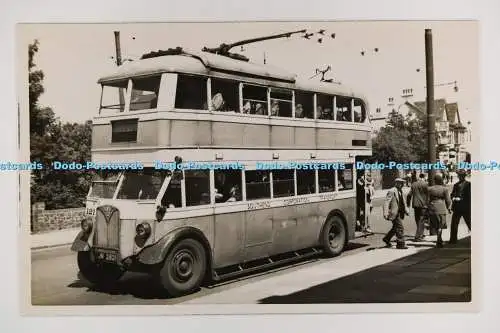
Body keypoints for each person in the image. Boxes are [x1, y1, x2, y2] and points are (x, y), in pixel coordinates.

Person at [382, 178, 409, 249]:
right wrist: (385, 212)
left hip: (400, 212)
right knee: (400, 227)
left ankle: (387, 238)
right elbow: (386, 202)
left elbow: (403, 202)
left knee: (395, 228)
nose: (402, 184)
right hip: (394, 212)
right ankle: (400, 243)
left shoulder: (400, 191)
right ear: (396, 183)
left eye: (402, 183)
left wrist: (406, 210)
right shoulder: (392, 191)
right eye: (400, 183)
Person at [427, 173, 452, 248]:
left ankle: (439, 239)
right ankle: (439, 239)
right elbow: (448, 200)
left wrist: (428, 208)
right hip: (441, 207)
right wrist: (449, 208)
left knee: (435, 224)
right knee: (441, 225)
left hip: (432, 207)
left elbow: (427, 200)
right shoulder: (445, 189)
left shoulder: (430, 189)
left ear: (434, 181)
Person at [449, 169, 471, 243]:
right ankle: (453, 239)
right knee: (454, 224)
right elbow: (452, 194)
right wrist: (453, 197)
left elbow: (470, 196)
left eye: (460, 175)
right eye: (458, 175)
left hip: (465, 207)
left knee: (470, 223)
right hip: (457, 207)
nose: (458, 176)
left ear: (463, 176)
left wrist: (461, 199)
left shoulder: (468, 184)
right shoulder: (456, 185)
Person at [406, 173, 429, 242]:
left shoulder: (414, 184)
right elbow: (428, 195)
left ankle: (420, 234)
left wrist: (408, 205)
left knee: (418, 219)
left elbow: (409, 195)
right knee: (421, 220)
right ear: (424, 177)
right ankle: (418, 236)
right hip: (423, 205)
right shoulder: (425, 184)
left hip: (415, 205)